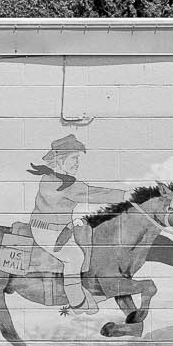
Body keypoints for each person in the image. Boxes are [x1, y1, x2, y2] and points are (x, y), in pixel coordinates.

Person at [27, 134, 128, 315]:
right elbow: (90, 193)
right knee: (74, 257)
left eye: (77, 159)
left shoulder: (62, 180)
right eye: (73, 158)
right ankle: (77, 301)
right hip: (46, 230)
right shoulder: (57, 183)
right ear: (60, 161)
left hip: (61, 226)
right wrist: (124, 196)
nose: (77, 163)